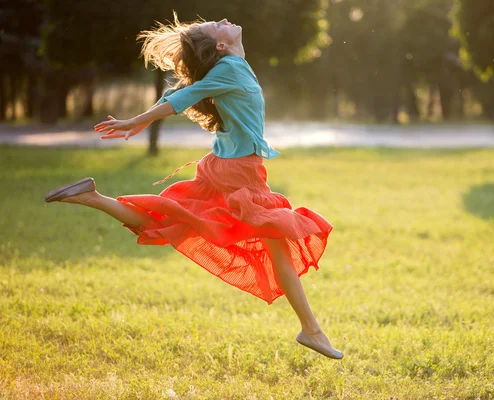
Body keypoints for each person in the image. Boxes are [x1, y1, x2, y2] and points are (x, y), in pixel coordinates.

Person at [43, 15, 343, 359]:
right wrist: (136, 122)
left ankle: (91, 197)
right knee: (278, 246)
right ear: (220, 44)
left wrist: (139, 121)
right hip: (240, 173)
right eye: (217, 24)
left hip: (227, 167)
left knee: (179, 221)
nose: (224, 19)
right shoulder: (230, 68)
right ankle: (311, 330)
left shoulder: (232, 67)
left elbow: (179, 92)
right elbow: (182, 97)